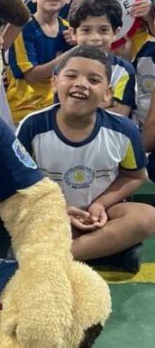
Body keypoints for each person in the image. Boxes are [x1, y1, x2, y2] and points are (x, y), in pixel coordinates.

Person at [17, 46, 155, 273]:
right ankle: (98, 251)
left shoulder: (124, 130)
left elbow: (134, 176)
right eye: (71, 75)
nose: (81, 83)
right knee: (27, 222)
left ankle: (57, 257)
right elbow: (20, 183)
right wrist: (62, 208)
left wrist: (100, 204)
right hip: (52, 213)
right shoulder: (32, 126)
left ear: (107, 93)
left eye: (93, 79)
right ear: (55, 83)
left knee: (147, 217)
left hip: (100, 215)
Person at [6, 0, 73, 123]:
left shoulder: (69, 30)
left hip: (58, 106)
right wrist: (71, 55)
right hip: (24, 109)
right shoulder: (22, 28)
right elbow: (31, 76)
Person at [68, 0, 136, 118]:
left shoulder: (124, 71)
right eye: (86, 30)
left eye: (103, 30)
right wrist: (105, 103)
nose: (95, 38)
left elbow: (120, 114)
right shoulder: (63, 68)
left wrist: (81, 104)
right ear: (73, 33)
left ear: (115, 32)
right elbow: (64, 110)